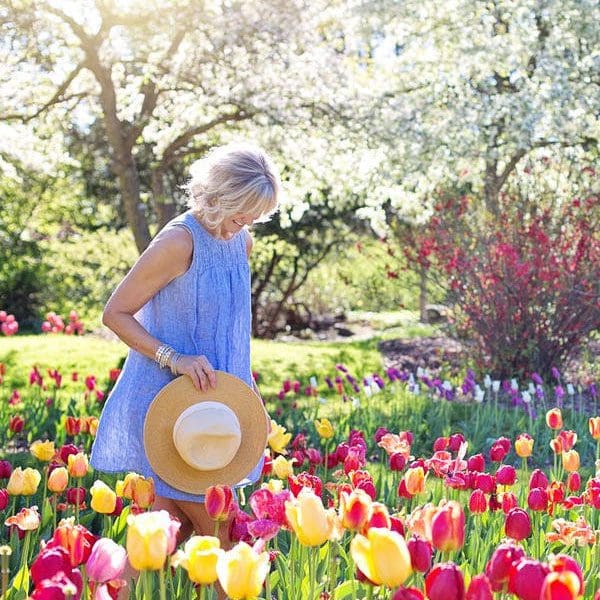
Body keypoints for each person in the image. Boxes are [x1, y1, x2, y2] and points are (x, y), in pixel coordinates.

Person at [90, 142, 281, 592]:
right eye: (244, 211)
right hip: (174, 411)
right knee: (228, 543)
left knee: (164, 532)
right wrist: (173, 359)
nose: (249, 222)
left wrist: (248, 400)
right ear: (218, 197)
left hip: (216, 409)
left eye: (257, 214)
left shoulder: (240, 242)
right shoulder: (178, 242)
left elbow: (231, 336)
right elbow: (115, 312)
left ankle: (90, 590)